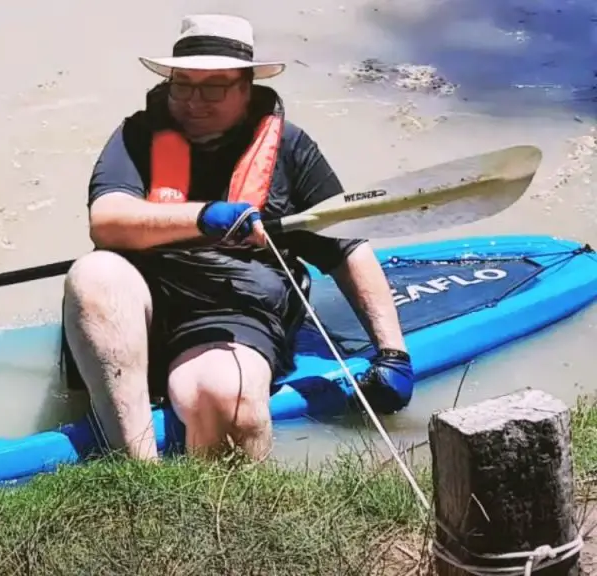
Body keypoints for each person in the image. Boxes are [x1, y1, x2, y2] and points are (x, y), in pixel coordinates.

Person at [60, 14, 414, 463]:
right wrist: (203, 216)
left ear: (246, 88)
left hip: (233, 308)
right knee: (93, 273)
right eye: (182, 84)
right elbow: (106, 220)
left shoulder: (291, 147)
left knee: (223, 398)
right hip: (140, 299)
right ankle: (138, 476)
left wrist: (392, 352)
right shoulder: (137, 134)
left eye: (213, 87)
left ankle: (222, 513)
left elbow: (345, 248)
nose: (193, 101)